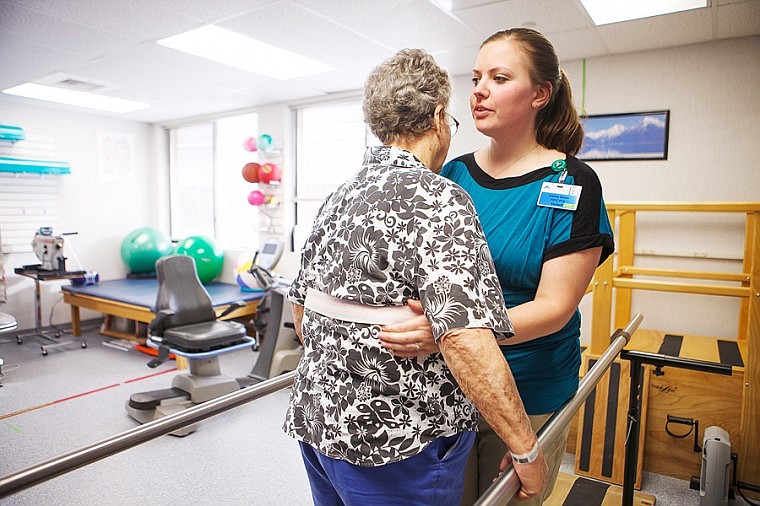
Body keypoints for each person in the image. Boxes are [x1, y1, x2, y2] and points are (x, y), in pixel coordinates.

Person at [284, 48, 548, 505]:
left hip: (318, 426)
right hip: (399, 447)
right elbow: (466, 340)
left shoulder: (337, 198)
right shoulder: (439, 198)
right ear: (440, 117)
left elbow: (303, 318)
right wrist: (527, 452)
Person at [378, 29, 615, 505]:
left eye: (500, 77)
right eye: (476, 77)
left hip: (529, 388)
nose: (479, 90)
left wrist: (447, 330)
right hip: (448, 383)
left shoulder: (574, 183)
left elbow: (554, 306)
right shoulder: (452, 174)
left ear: (540, 94)